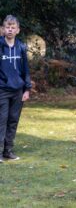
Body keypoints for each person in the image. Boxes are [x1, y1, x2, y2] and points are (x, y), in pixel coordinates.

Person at [0, 15, 32, 162]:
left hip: (18, 91)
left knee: (13, 120)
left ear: (18, 30)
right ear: (3, 29)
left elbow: (26, 70)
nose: (10, 30)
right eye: (7, 27)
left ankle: (8, 150)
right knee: (2, 120)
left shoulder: (21, 47)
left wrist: (27, 89)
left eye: (13, 27)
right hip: (2, 90)